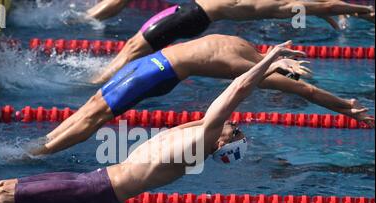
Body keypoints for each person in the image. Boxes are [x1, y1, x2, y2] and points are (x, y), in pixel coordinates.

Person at [0, 41, 303, 203]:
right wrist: (270, 67)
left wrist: (268, 58)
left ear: (222, 142)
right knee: (0, 191)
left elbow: (236, 90)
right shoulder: (196, 135)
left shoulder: (202, 140)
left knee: (3, 194)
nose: (236, 124)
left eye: (236, 131)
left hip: (95, 190)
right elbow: (225, 102)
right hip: (96, 183)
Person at [27, 35, 372, 156]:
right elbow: (306, 90)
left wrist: (278, 60)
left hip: (152, 63)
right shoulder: (247, 67)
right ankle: (39, 152)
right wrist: (347, 108)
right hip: (156, 75)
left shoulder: (244, 47)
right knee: (97, 116)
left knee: (93, 108)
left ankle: (43, 142)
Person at [93, 0, 375, 83]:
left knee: (130, 53)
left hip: (187, 15)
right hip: (189, 16)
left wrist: (364, 11)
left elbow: (325, 5)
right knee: (130, 51)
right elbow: (324, 6)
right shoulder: (274, 5)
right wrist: (356, 11)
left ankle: (93, 83)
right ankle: (98, 79)